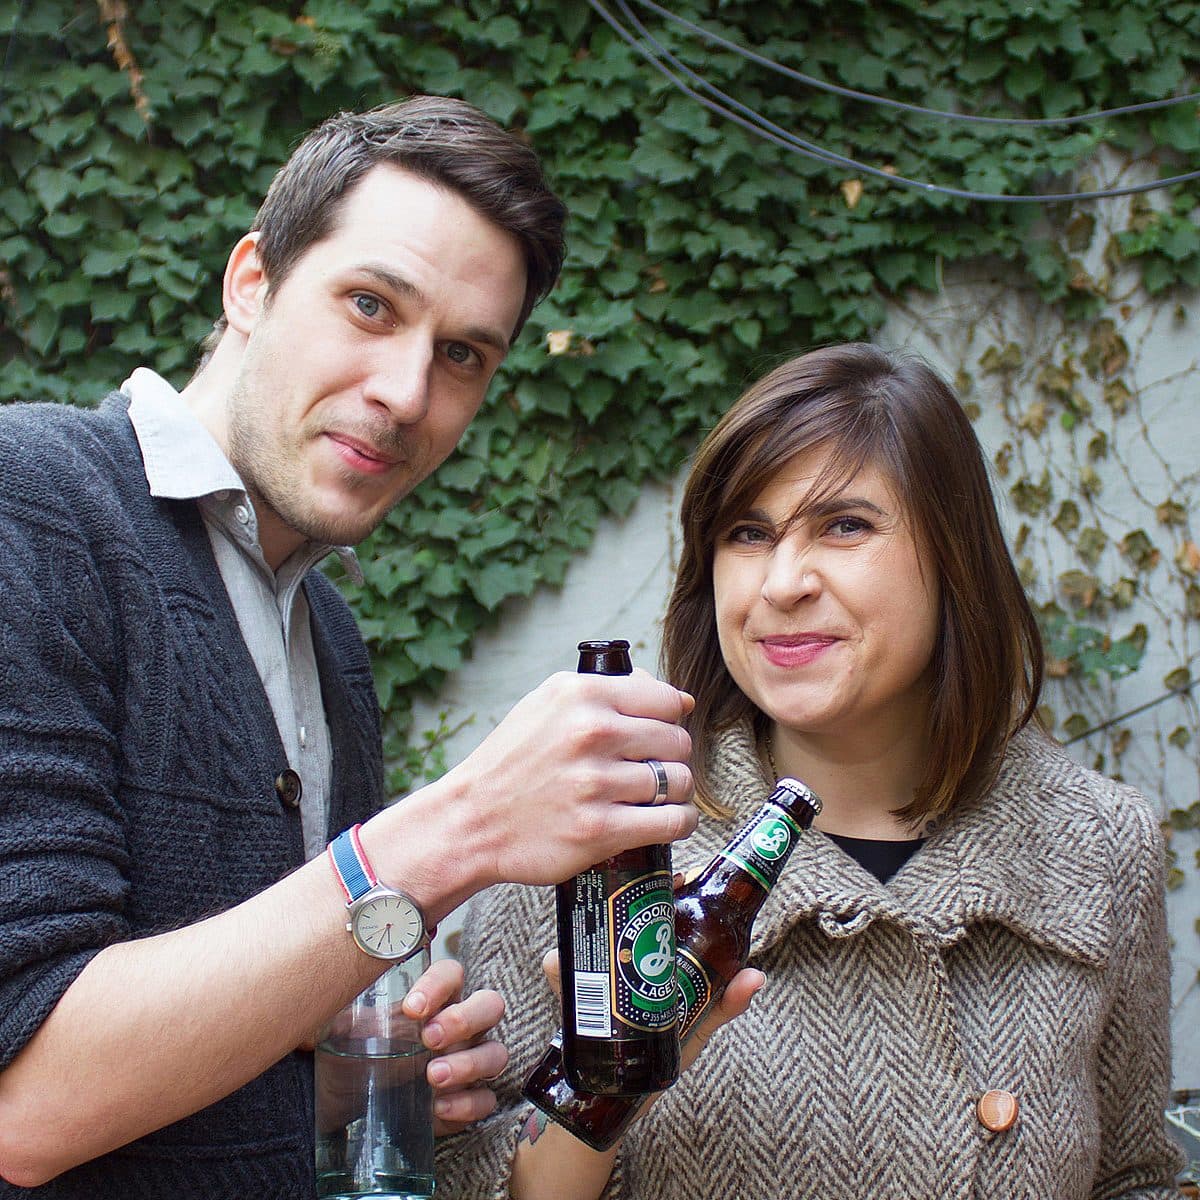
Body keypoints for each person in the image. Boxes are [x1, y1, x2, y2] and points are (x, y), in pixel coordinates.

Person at [0, 96, 699, 1197]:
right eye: (370, 305)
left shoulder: (330, 637)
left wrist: (358, 1072)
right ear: (250, 282)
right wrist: (451, 832)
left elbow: (185, 1085)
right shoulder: (32, 503)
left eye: (463, 355)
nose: (405, 394)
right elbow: (25, 1103)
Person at [436, 342, 1182, 1199]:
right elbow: (471, 1180)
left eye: (846, 526)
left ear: (954, 559)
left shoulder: (1098, 843)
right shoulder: (588, 830)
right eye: (748, 534)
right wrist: (605, 1091)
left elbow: (1136, 1178)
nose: (783, 582)